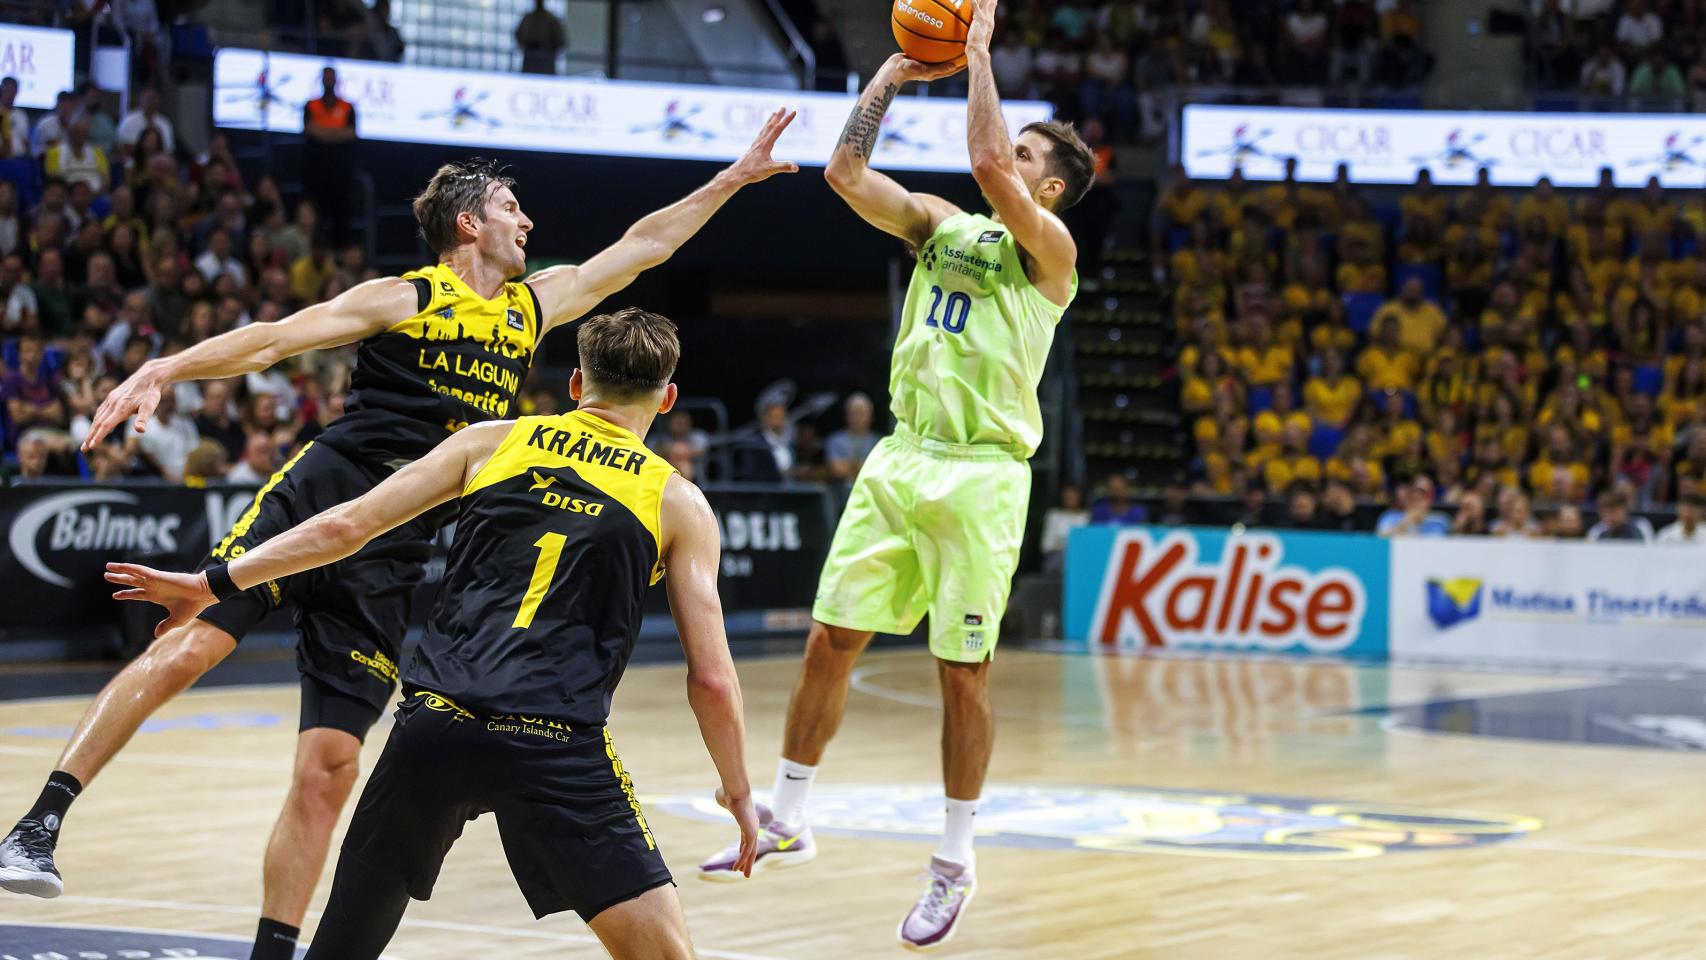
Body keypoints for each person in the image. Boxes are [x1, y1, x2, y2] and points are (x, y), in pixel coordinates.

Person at [0, 114, 798, 960]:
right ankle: (40, 820)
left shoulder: (533, 308)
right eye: (510, 205)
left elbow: (642, 246)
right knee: (196, 644)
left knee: (331, 769)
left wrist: (732, 178)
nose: (526, 221)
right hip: (328, 496)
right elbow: (274, 340)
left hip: (394, 545)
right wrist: (166, 368)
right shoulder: (407, 296)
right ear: (470, 223)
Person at [103, 309, 757, 960]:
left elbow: (344, 528)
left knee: (341, 948)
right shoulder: (677, 502)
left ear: (577, 384)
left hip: (434, 729)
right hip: (557, 748)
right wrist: (738, 789)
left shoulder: (490, 442)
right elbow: (712, 678)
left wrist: (215, 582)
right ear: (667, 398)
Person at [697, 5, 1089, 948]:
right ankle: (789, 812)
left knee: (962, 673)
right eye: (1018, 142)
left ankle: (955, 860)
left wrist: (981, 54)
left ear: (1058, 186)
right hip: (902, 457)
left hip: (984, 475)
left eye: (1033, 152)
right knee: (831, 639)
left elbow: (994, 167)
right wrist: (891, 76)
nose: (1012, 154)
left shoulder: (1052, 257)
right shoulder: (943, 226)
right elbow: (844, 175)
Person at [303, 68, 358, 247]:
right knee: (316, 214)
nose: (328, 81)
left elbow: (350, 133)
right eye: (326, 77)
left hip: (340, 173)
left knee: (342, 214)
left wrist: (323, 133)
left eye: (331, 77)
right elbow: (309, 129)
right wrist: (336, 134)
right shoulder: (311, 105)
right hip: (315, 171)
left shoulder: (347, 107)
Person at [826, 391, 880, 480]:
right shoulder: (834, 440)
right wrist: (861, 465)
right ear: (847, 415)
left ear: (871, 416)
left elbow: (880, 469)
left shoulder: (879, 442)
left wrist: (849, 465)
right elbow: (837, 470)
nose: (858, 417)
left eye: (861, 413)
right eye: (854, 413)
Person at [516, 0, 568, 75]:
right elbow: (518, 35)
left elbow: (561, 41)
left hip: (545, 61)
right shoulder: (528, 18)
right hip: (531, 60)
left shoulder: (551, 19)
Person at [1586, 488, 1654, 541]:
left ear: (1624, 509)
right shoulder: (1597, 531)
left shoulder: (1641, 525)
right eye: (1604, 512)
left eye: (1613, 511)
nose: (1608, 517)